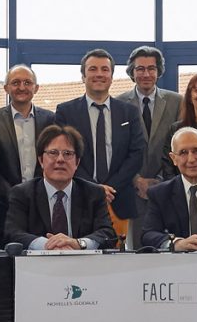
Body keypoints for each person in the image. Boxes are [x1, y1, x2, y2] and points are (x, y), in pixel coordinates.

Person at [55, 49, 145, 245]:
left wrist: (110, 188)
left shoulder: (129, 112)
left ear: (111, 76)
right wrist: (94, 189)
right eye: (93, 69)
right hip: (79, 197)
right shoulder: (65, 112)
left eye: (105, 69)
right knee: (80, 251)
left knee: (119, 258)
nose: (99, 74)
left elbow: (137, 153)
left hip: (118, 199)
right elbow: (64, 155)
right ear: (83, 76)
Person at [4, 124, 117, 251]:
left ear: (77, 162)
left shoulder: (94, 193)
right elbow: (12, 233)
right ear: (41, 160)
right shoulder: (22, 193)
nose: (60, 159)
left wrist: (78, 243)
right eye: (53, 153)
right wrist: (49, 244)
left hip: (82, 261)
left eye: (67, 153)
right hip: (36, 262)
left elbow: (107, 234)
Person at [116, 46, 182, 249]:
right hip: (131, 191)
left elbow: (180, 145)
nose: (146, 74)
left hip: (168, 189)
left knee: (168, 248)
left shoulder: (177, 102)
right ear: (132, 72)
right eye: (140, 69)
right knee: (136, 251)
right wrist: (136, 180)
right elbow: (117, 149)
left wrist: (160, 180)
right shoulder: (118, 103)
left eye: (151, 68)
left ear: (159, 71)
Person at [0, 65, 55, 248]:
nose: (22, 87)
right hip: (4, 209)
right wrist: (15, 196)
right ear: (6, 88)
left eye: (27, 82)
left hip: (43, 208)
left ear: (36, 88)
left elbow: (53, 162)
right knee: (6, 263)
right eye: (15, 83)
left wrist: (37, 196)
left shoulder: (51, 119)